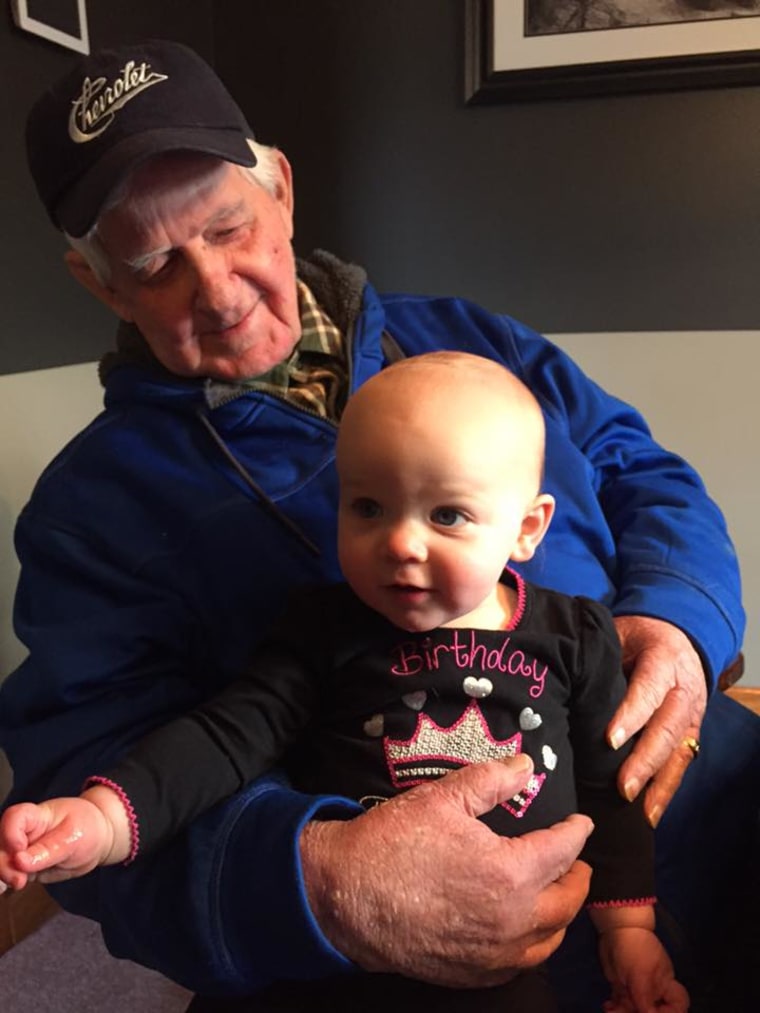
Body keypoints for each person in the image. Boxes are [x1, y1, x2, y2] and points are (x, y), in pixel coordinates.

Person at [0, 38, 756, 1011]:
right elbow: (95, 787)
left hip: (686, 793)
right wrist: (321, 876)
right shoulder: (87, 512)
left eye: (230, 227)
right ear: (99, 282)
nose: (219, 293)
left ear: (280, 187)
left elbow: (641, 470)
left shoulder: (470, 336)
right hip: (425, 932)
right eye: (154, 264)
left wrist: (682, 623)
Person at [0, 353, 690, 1013]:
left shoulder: (576, 636)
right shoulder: (320, 630)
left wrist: (628, 928)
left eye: (446, 514)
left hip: (497, 971)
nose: (399, 542)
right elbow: (220, 741)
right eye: (367, 507)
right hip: (323, 955)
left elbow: (611, 784)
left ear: (527, 528)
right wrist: (102, 817)